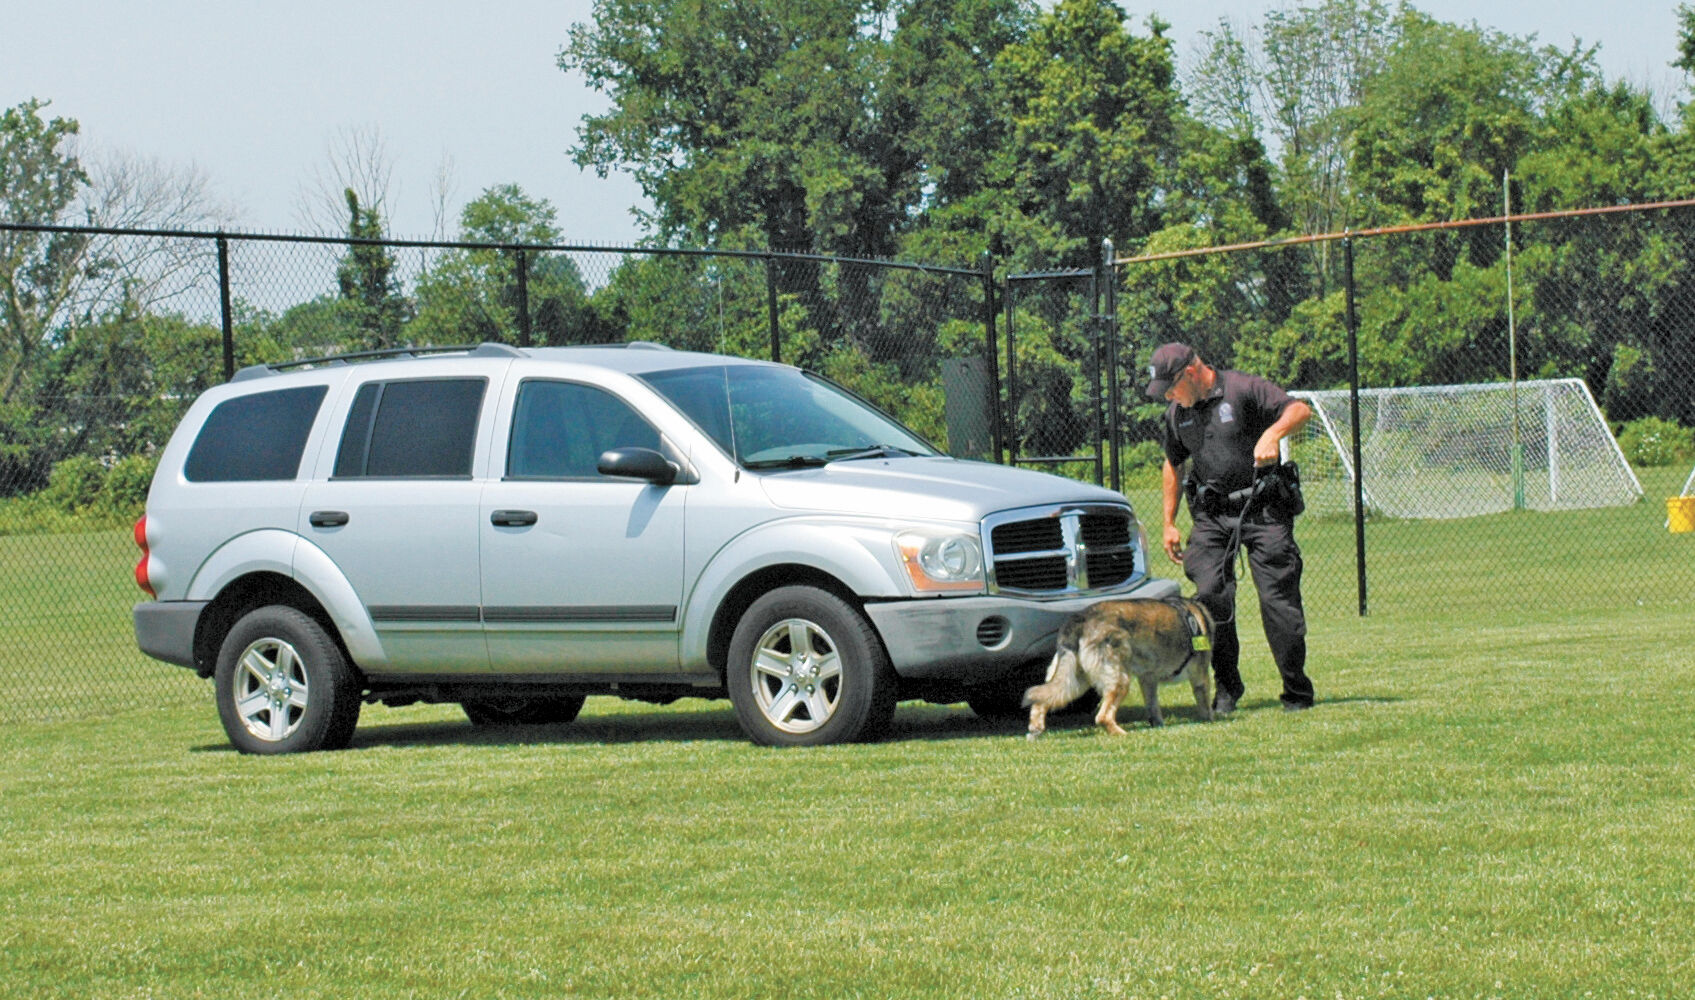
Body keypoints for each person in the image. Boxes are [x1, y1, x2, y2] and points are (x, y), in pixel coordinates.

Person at [1144, 342, 1316, 714]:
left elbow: (1300, 410)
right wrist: (1169, 523)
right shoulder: (1179, 414)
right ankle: (1226, 687)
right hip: (1212, 516)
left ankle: (1296, 690)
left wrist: (1273, 434)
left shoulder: (1242, 389)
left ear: (1190, 373)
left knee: (1278, 601)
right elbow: (1172, 464)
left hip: (1263, 508)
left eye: (1171, 388)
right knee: (1209, 598)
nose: (1169, 397)